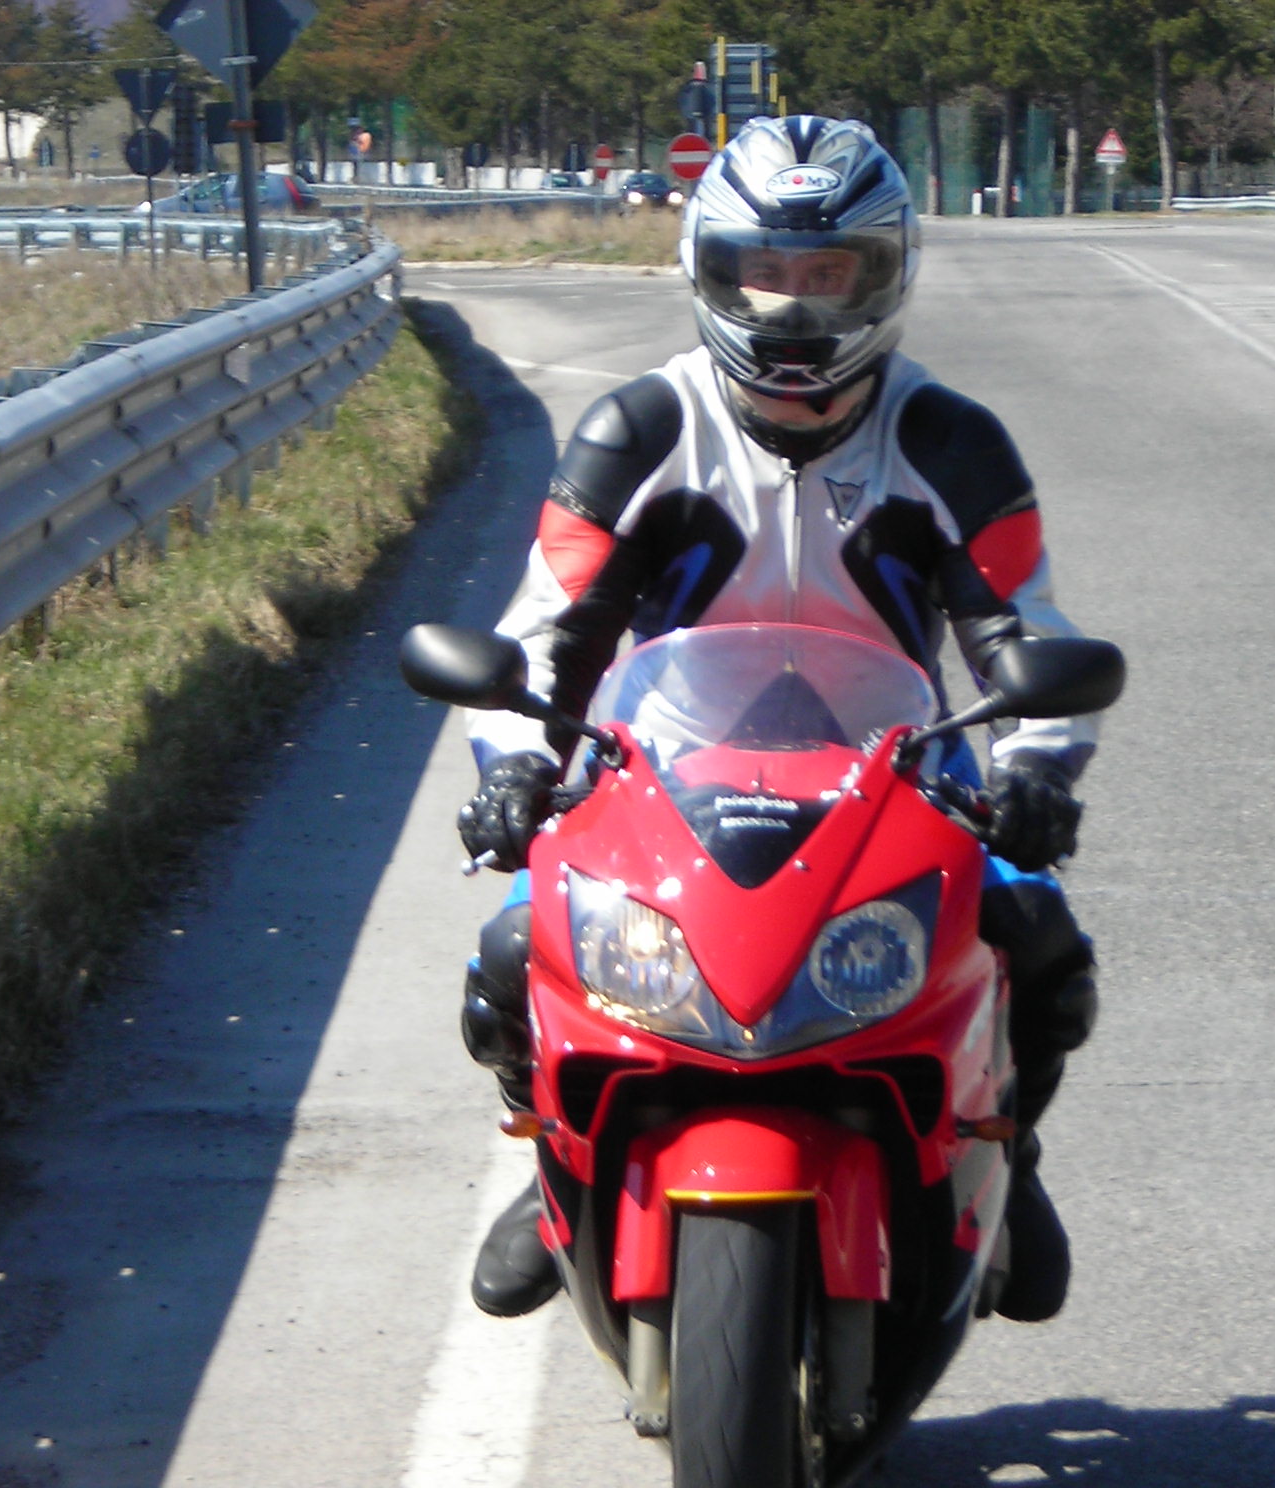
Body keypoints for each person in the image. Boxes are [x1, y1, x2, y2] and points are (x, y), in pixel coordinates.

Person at [454, 115, 1102, 1324]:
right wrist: (515, 768)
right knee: (507, 956)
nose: (794, 309)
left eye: (828, 273)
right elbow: (547, 634)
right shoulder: (639, 431)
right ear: (708, 269)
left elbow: (1022, 630)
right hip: (659, 775)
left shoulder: (953, 441)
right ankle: (553, 1173)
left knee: (1044, 948)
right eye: (763, 272)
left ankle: (1011, 1163)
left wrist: (1037, 773)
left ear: (887, 273)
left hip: (901, 772)